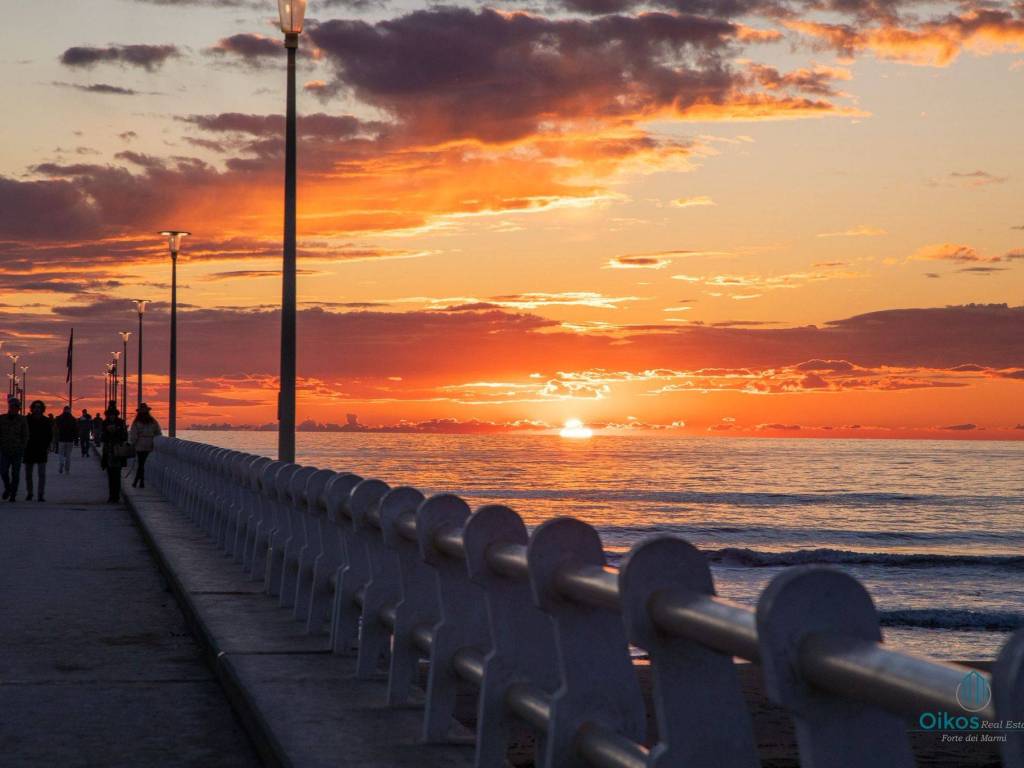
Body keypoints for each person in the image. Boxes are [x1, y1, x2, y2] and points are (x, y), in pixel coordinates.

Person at [0, 397, 28, 502]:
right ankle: (8, 488)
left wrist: (22, 446)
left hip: (17, 450)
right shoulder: (2, 419)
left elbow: (25, 434)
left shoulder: (22, 420)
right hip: (5, 449)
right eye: (12, 407)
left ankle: (13, 494)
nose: (13, 409)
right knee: (3, 471)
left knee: (15, 474)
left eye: (16, 407)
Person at [128, 403, 161, 488]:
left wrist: (133, 443)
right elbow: (158, 432)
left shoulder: (137, 422)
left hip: (140, 444)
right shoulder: (153, 421)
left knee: (141, 463)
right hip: (149, 443)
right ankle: (139, 481)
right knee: (142, 463)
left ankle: (137, 481)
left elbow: (133, 434)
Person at [100, 405, 128, 503]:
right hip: (108, 451)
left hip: (118, 452)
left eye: (113, 415)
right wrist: (108, 432)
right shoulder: (104, 423)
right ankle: (111, 495)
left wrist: (116, 431)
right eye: (110, 415)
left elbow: (125, 436)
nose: (112, 416)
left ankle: (116, 496)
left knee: (117, 474)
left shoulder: (121, 423)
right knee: (110, 474)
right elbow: (102, 437)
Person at [25, 400, 51, 502]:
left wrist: (47, 446)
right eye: (35, 407)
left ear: (42, 409)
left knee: (42, 474)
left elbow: (49, 435)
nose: (37, 409)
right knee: (28, 474)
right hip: (29, 449)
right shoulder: (27, 419)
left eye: (39, 407)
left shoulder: (46, 420)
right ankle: (30, 493)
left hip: (41, 450)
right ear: (32, 408)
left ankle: (40, 494)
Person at [56, 405, 77, 474]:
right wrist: (75, 439)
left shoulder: (59, 418)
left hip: (61, 438)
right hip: (70, 439)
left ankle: (61, 462)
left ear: (63, 410)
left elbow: (57, 428)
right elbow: (75, 430)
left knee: (61, 453)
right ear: (69, 411)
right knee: (68, 455)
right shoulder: (73, 419)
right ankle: (67, 470)